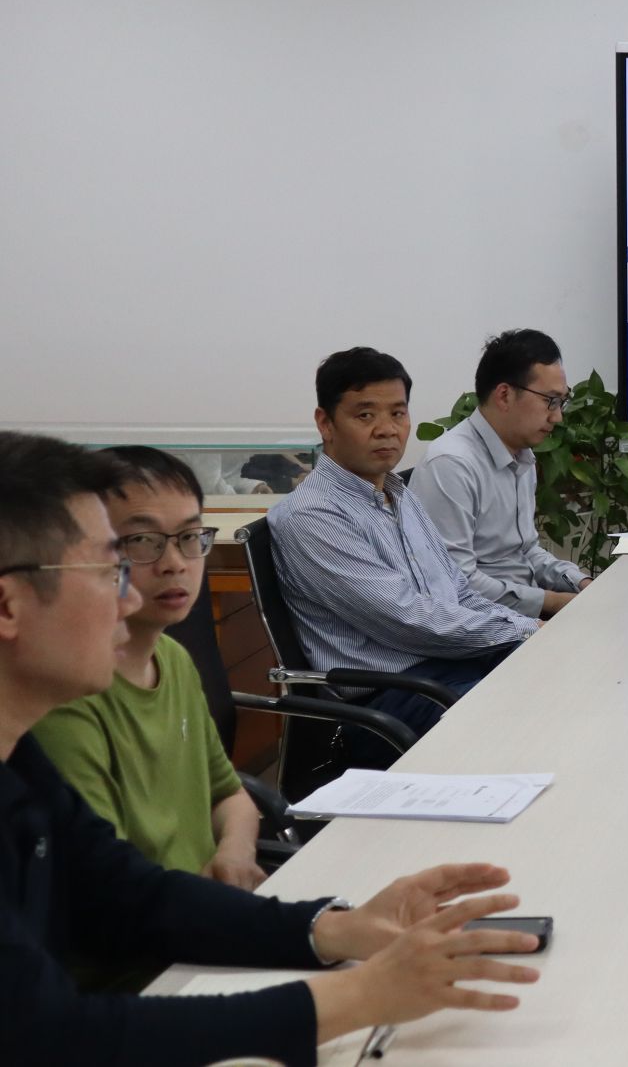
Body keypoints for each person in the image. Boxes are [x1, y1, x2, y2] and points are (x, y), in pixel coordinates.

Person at [0, 430, 538, 1066]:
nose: (130, 595)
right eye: (109, 568)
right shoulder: (52, 732)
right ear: (8, 605)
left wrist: (338, 928)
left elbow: (128, 893)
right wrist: (358, 995)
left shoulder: (20, 758)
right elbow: (47, 1036)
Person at [30, 448, 264, 904]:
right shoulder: (67, 693)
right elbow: (113, 888)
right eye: (141, 541)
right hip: (151, 934)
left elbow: (229, 794)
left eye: (190, 537)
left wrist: (235, 852)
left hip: (207, 909)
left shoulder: (173, 658)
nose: (174, 562)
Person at [269, 348, 539, 740]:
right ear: (325, 423)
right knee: (526, 712)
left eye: (398, 413)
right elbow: (408, 619)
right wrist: (525, 629)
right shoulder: (311, 516)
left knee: (558, 671)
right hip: (385, 701)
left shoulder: (399, 494)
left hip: (444, 668)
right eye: (365, 415)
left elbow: (459, 593)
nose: (387, 429)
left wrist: (527, 630)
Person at [412, 330, 590, 620]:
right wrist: (554, 602)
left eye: (561, 402)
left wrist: (581, 583)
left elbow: (526, 551)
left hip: (525, 615)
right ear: (504, 395)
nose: (557, 416)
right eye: (550, 400)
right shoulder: (451, 464)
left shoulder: (522, 455)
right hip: (485, 627)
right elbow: (457, 584)